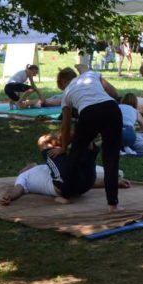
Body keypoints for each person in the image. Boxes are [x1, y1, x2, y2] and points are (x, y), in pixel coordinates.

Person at [56, 67, 123, 211]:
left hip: (89, 113)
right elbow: (113, 92)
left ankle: (65, 195)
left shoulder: (66, 93)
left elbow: (65, 127)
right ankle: (113, 204)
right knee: (111, 157)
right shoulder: (91, 74)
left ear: (64, 82)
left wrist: (63, 146)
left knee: (75, 154)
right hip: (112, 109)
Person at [0, 134, 131, 206]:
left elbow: (90, 181)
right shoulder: (22, 178)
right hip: (64, 186)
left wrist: (113, 182)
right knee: (44, 143)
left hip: (84, 184)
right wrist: (9, 196)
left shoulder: (44, 168)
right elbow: (17, 190)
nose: (27, 166)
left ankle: (87, 140)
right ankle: (85, 138)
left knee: (81, 164)